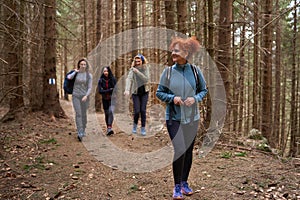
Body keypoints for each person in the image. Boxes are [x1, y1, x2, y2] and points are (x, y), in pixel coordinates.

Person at [156, 36, 208, 199]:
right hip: (174, 118)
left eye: (176, 51)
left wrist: (195, 99)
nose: (173, 53)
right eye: (173, 50)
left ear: (186, 53)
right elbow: (159, 92)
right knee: (179, 150)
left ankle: (185, 182)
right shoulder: (168, 72)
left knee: (188, 150)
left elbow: (204, 90)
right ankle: (177, 186)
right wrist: (173, 99)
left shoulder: (195, 71)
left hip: (192, 118)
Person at [124, 54, 150, 136]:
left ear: (142, 61)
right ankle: (134, 126)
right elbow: (129, 79)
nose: (137, 63)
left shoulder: (145, 68)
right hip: (136, 93)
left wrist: (138, 72)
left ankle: (143, 127)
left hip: (144, 92)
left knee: (143, 110)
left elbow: (146, 79)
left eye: (139, 61)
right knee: (137, 111)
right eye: (136, 61)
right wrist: (127, 90)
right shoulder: (132, 70)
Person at [67, 58, 93, 142]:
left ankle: (83, 128)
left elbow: (89, 87)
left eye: (84, 64)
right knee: (78, 113)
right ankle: (80, 131)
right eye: (81, 64)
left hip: (84, 96)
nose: (83, 66)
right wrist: (75, 71)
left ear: (86, 66)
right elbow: (69, 78)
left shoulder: (89, 75)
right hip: (75, 95)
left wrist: (86, 95)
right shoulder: (75, 73)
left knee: (83, 114)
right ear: (79, 65)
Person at [98, 66, 116, 136]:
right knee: (106, 114)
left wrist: (105, 90)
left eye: (107, 71)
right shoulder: (101, 80)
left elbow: (115, 89)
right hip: (104, 99)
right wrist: (109, 90)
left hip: (113, 99)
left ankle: (109, 127)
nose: (106, 72)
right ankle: (108, 128)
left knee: (111, 111)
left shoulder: (113, 79)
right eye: (104, 71)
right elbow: (100, 91)